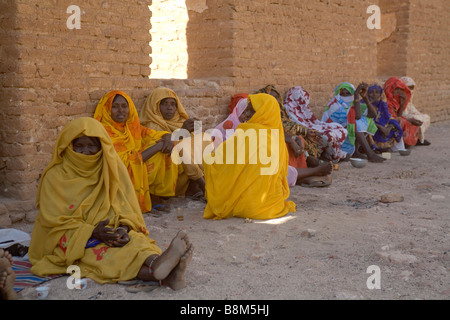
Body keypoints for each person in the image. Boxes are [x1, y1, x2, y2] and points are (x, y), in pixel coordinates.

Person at [28, 117, 193, 291]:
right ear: (69, 146)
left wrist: (122, 228)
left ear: (101, 147)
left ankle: (160, 266)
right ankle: (166, 273)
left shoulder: (108, 169)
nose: (85, 152)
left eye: (91, 146)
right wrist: (92, 233)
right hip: (70, 236)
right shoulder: (55, 176)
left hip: (107, 229)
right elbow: (53, 220)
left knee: (136, 242)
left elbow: (124, 207)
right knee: (104, 255)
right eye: (79, 146)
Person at [94, 90, 197, 214]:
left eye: (124, 106)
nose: (120, 110)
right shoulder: (103, 132)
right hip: (117, 175)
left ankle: (155, 196)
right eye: (114, 107)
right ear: (106, 109)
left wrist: (167, 137)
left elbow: (153, 135)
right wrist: (159, 146)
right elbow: (123, 163)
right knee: (159, 149)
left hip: (134, 165)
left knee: (168, 146)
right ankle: (146, 199)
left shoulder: (131, 127)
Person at [204, 93, 296, 220]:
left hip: (246, 206)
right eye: (247, 110)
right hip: (271, 205)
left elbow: (221, 161)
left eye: (252, 111)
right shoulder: (277, 136)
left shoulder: (247, 132)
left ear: (262, 113)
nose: (246, 114)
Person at [139, 87, 212, 201]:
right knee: (180, 145)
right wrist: (181, 132)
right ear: (155, 106)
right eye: (164, 104)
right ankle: (203, 185)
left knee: (204, 137)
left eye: (173, 104)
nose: (169, 108)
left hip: (185, 173)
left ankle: (197, 183)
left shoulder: (179, 121)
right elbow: (163, 142)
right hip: (168, 176)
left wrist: (195, 131)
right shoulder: (149, 125)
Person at [322, 82, 385, 163]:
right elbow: (357, 116)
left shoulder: (352, 104)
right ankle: (370, 154)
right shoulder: (335, 105)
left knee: (364, 121)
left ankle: (355, 152)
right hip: (335, 135)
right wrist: (356, 95)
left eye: (348, 93)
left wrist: (365, 97)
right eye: (343, 94)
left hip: (345, 132)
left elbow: (373, 114)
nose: (345, 96)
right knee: (356, 122)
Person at [284, 86, 348, 162]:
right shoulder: (288, 109)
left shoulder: (302, 106)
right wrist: (310, 131)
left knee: (339, 128)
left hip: (311, 129)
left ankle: (330, 153)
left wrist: (321, 127)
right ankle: (334, 157)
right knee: (330, 136)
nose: (304, 101)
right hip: (306, 133)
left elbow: (313, 121)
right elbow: (298, 125)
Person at [366, 84, 405, 152]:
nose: (374, 94)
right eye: (371, 92)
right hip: (370, 124)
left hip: (382, 124)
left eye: (377, 92)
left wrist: (388, 126)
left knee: (394, 122)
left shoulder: (382, 104)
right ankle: (375, 147)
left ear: (380, 94)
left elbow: (387, 116)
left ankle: (387, 132)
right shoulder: (364, 103)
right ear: (368, 94)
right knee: (369, 128)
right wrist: (379, 126)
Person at [383, 77, 421, 148]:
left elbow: (398, 116)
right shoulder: (386, 102)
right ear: (389, 89)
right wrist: (408, 120)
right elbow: (392, 119)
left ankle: (406, 143)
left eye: (400, 89)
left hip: (393, 121)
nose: (398, 92)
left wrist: (402, 104)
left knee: (411, 122)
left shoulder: (394, 101)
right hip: (384, 123)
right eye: (396, 89)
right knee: (403, 122)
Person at [400, 76, 431, 146]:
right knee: (416, 119)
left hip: (409, 117)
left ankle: (418, 139)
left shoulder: (409, 102)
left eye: (411, 87)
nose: (410, 90)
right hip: (402, 118)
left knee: (425, 117)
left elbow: (414, 111)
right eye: (408, 87)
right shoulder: (399, 98)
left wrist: (417, 115)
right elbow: (401, 114)